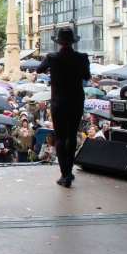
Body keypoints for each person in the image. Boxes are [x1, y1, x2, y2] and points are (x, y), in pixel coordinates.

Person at [36, 28, 90, 187]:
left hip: (58, 101)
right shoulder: (81, 57)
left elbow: (39, 69)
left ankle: (64, 174)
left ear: (58, 42)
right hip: (75, 100)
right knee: (71, 136)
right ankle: (70, 172)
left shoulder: (52, 57)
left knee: (59, 137)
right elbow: (86, 76)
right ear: (73, 42)